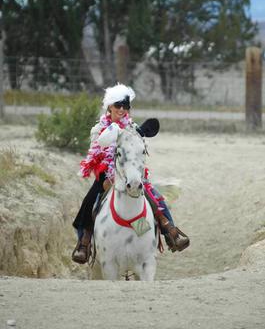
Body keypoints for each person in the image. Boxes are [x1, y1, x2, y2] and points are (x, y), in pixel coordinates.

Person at [72, 84, 189, 264]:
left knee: (156, 199)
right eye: (118, 105)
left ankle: (169, 231)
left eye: (125, 106)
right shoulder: (98, 130)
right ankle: (84, 242)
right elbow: (95, 157)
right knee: (89, 204)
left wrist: (136, 169)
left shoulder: (133, 128)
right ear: (109, 106)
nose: (121, 109)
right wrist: (108, 176)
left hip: (133, 174)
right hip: (107, 176)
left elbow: (139, 154)